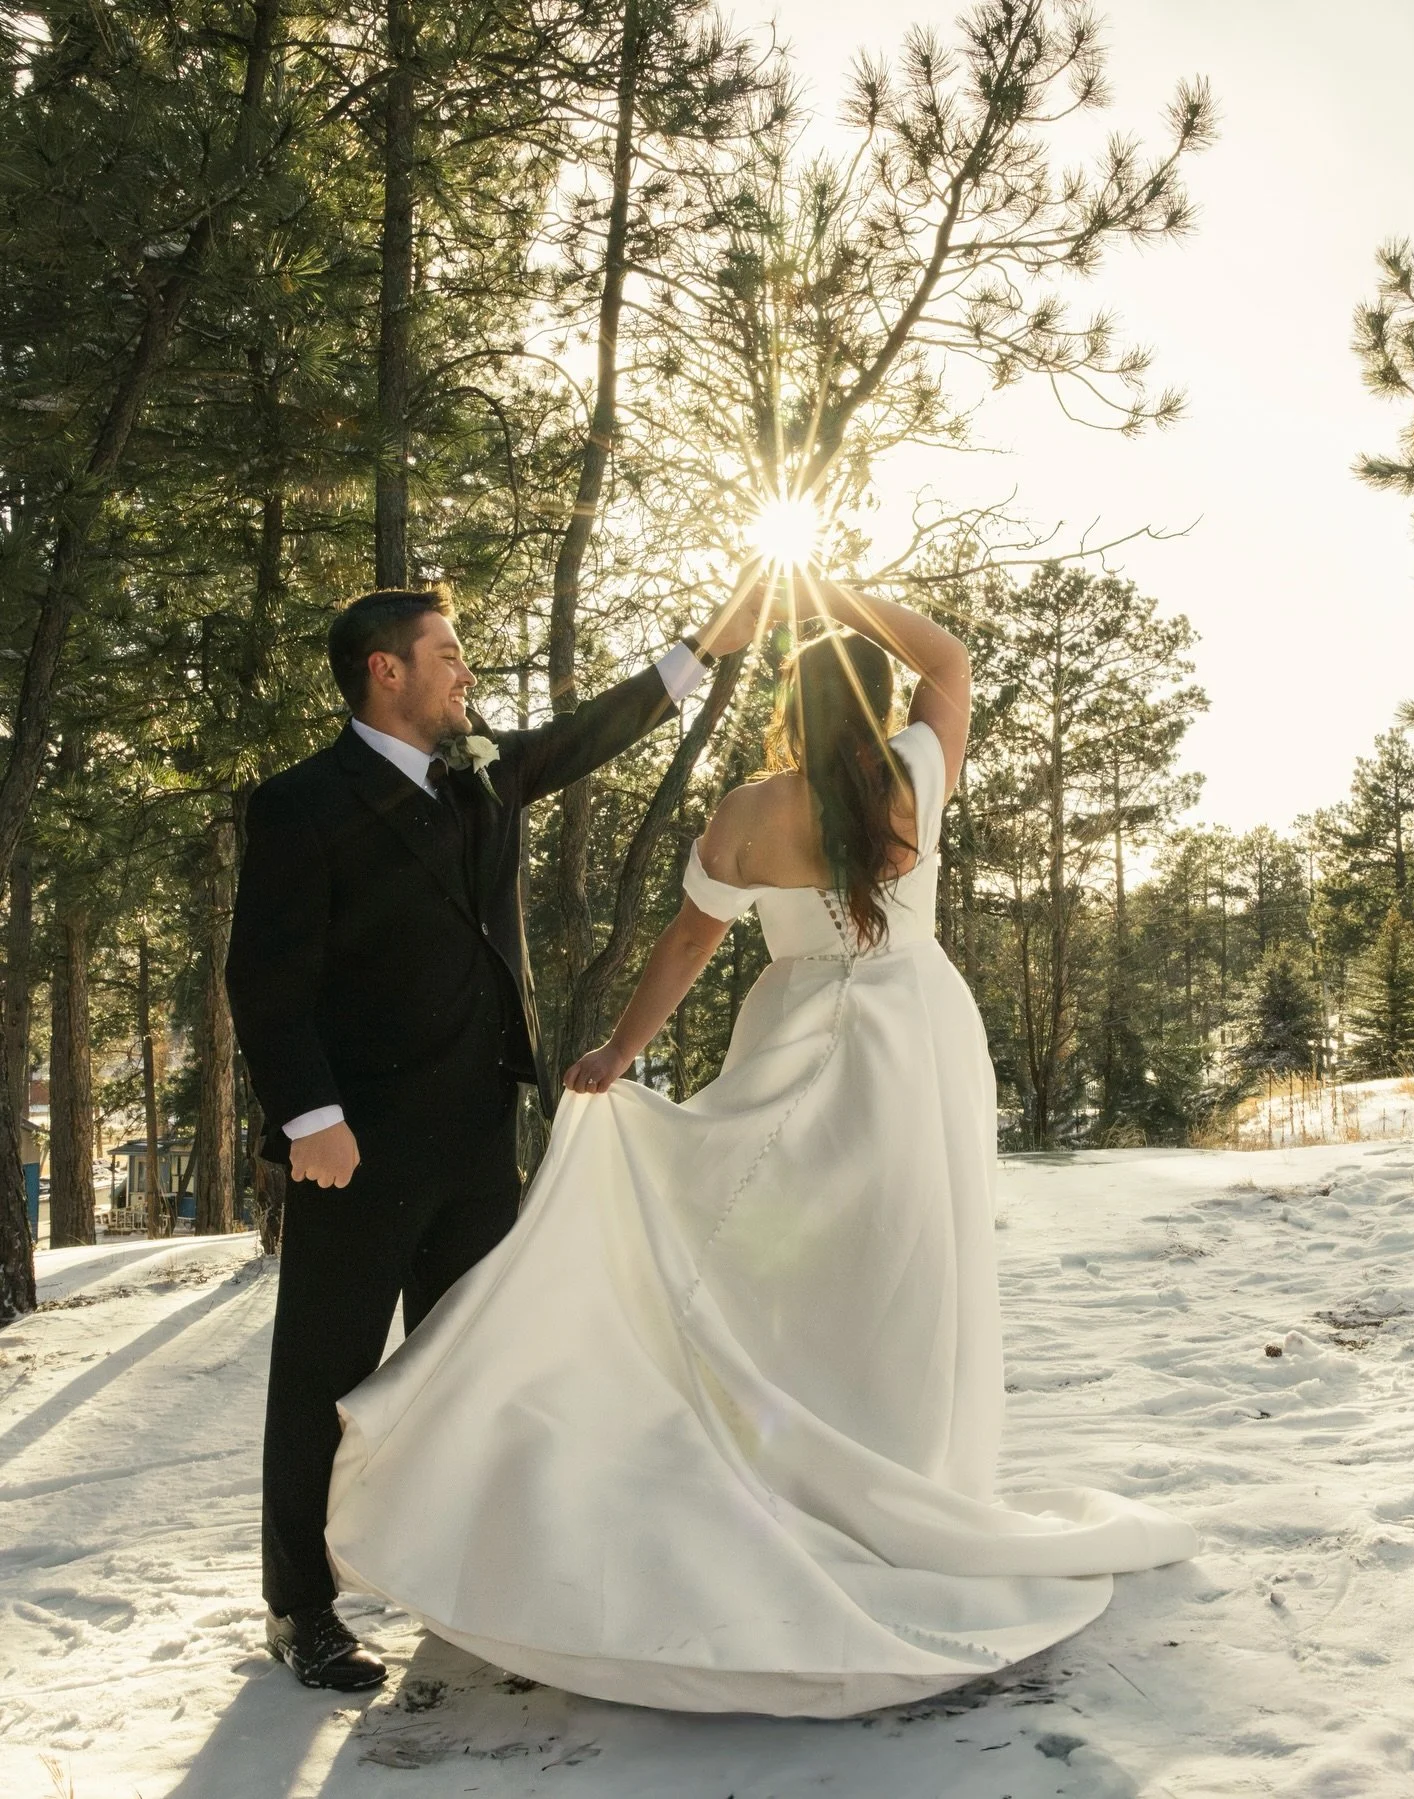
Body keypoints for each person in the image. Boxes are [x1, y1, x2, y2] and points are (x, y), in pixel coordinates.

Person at [323, 576, 1198, 1717]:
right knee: (905, 1272)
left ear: (788, 708)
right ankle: (903, 1476)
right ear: (876, 703)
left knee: (769, 1268)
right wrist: (833, 590)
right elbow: (952, 660)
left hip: (798, 1049)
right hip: (915, 1045)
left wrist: (614, 1052)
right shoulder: (913, 778)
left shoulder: (744, 811)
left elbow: (688, 943)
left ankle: (779, 1466)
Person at [225, 584, 761, 1690]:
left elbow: (582, 734)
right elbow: (264, 981)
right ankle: (301, 1606)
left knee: (476, 1366)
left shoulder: (483, 776)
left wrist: (701, 645)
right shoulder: (298, 803)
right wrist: (310, 1117)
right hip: (356, 1148)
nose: (466, 671)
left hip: (479, 1132)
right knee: (323, 1374)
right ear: (386, 670)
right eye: (448, 653)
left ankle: (471, 1584)